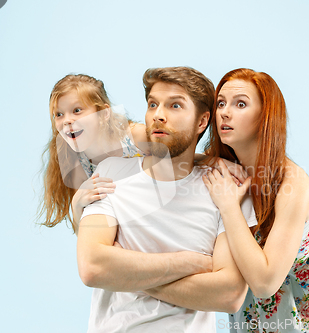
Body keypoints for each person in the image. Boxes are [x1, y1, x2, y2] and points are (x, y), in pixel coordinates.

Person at [76, 67, 258, 332]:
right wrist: (188, 263)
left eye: (175, 105)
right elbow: (92, 267)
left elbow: (229, 295)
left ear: (201, 121)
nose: (158, 115)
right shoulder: (111, 173)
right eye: (152, 104)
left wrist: (124, 271)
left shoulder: (227, 188)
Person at [202, 68, 309, 332]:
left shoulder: (293, 184)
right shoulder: (222, 165)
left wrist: (228, 206)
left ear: (265, 116)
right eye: (221, 103)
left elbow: (264, 283)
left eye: (240, 104)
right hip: (253, 299)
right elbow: (159, 153)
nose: (225, 112)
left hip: (302, 294)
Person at [38, 74, 148, 233]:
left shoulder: (136, 136)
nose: (67, 120)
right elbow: (81, 232)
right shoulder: (78, 161)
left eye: (77, 110)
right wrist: (77, 203)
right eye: (59, 114)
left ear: (104, 113)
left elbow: (183, 161)